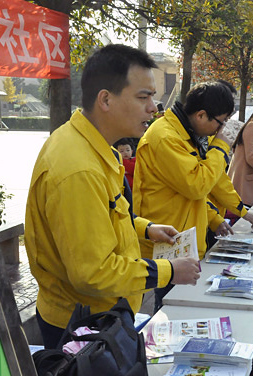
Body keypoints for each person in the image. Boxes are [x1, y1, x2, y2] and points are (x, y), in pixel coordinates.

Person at [25, 44, 200, 349]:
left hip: (100, 316)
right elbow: (92, 273)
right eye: (143, 97)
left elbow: (106, 216)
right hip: (82, 328)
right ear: (105, 99)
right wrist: (169, 271)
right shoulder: (78, 169)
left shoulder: (95, 147)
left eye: (153, 97)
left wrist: (145, 228)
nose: (153, 108)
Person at [133, 81, 253, 311]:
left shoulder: (191, 134)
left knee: (187, 309)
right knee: (171, 309)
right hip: (169, 244)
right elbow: (197, 185)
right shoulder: (165, 137)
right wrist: (220, 148)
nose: (220, 131)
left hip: (186, 241)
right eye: (220, 123)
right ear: (201, 115)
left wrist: (215, 218)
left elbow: (199, 191)